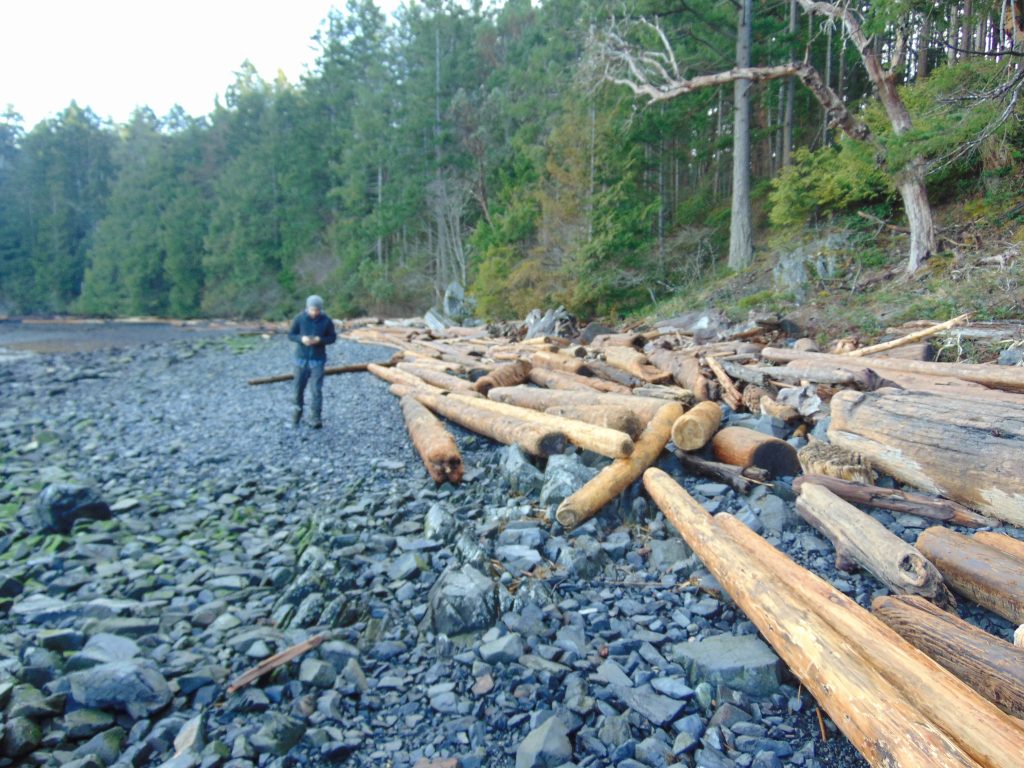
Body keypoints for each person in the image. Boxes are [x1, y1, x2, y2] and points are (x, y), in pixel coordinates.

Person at [287, 295, 337, 428]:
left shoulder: (326, 321)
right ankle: (296, 416)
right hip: (300, 359)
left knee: (316, 390)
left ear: (321, 309)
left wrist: (320, 340)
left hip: (318, 360)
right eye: (312, 310)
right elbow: (291, 335)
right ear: (307, 308)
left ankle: (316, 418)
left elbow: (332, 337)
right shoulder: (299, 318)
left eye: (317, 310)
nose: (314, 312)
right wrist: (301, 339)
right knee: (298, 388)